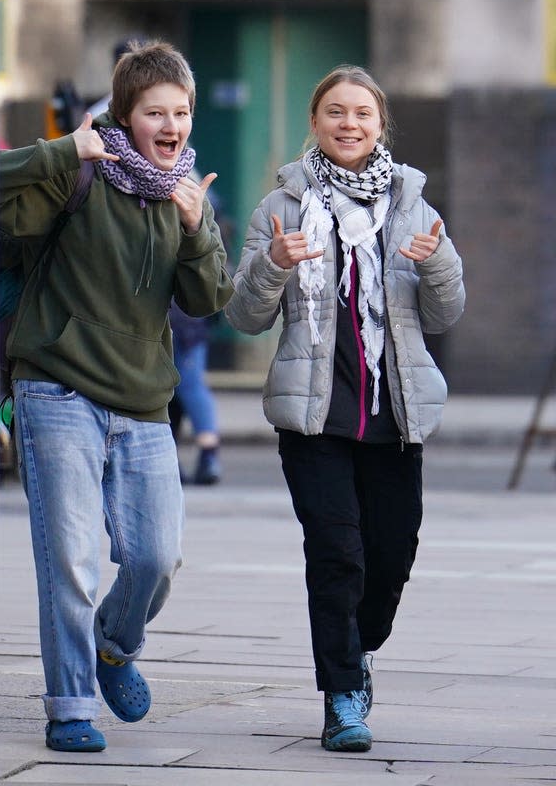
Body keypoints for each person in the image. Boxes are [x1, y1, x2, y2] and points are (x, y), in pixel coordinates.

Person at [0, 40, 233, 752]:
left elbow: (210, 296)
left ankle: (113, 646)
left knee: (156, 556)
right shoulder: (81, 170)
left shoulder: (186, 193)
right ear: (125, 118)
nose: (172, 125)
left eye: (182, 112)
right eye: (155, 112)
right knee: (70, 558)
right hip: (56, 391)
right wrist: (62, 151)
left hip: (142, 405)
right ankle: (70, 704)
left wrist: (196, 232)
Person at [225, 65, 465, 753]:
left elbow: (446, 315)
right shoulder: (281, 208)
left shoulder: (415, 208)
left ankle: (357, 650)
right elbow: (244, 316)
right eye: (335, 111)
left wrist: (440, 261)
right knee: (337, 555)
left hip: (395, 418)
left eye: (362, 112)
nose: (349, 123)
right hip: (315, 419)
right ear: (316, 121)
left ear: (381, 123)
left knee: (390, 557)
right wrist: (271, 262)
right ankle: (341, 698)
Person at [168, 300, 222, 484]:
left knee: (189, 387)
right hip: (188, 320)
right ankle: (204, 457)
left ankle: (208, 456)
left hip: (179, 322)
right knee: (175, 391)